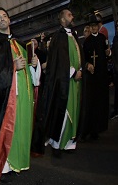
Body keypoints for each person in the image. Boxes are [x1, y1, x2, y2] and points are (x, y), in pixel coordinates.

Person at [0, 8, 40, 185]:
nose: (1, 20)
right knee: (5, 130)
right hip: (5, 98)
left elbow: (31, 74)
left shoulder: (20, 44)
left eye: (4, 16)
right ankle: (4, 166)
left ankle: (17, 162)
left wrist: (34, 65)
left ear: (9, 20)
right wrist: (12, 66)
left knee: (19, 129)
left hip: (22, 95)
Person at [33, 9, 83, 157]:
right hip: (63, 82)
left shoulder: (73, 36)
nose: (72, 16)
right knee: (62, 112)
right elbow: (60, 61)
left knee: (73, 110)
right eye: (69, 15)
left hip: (75, 81)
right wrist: (74, 72)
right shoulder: (58, 37)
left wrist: (81, 70)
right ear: (62, 20)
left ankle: (68, 143)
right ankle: (57, 144)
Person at [80, 14, 110, 140]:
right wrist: (87, 65)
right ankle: (89, 129)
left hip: (101, 77)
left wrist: (108, 53)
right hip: (91, 78)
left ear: (98, 26)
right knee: (91, 104)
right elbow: (83, 59)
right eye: (91, 26)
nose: (93, 28)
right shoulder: (86, 42)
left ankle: (98, 129)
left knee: (100, 103)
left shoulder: (103, 38)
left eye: (95, 26)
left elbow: (106, 54)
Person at [111, 20, 118, 119]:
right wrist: (115, 66)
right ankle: (115, 111)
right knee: (117, 91)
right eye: (116, 26)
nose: (117, 27)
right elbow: (113, 54)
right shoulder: (115, 39)